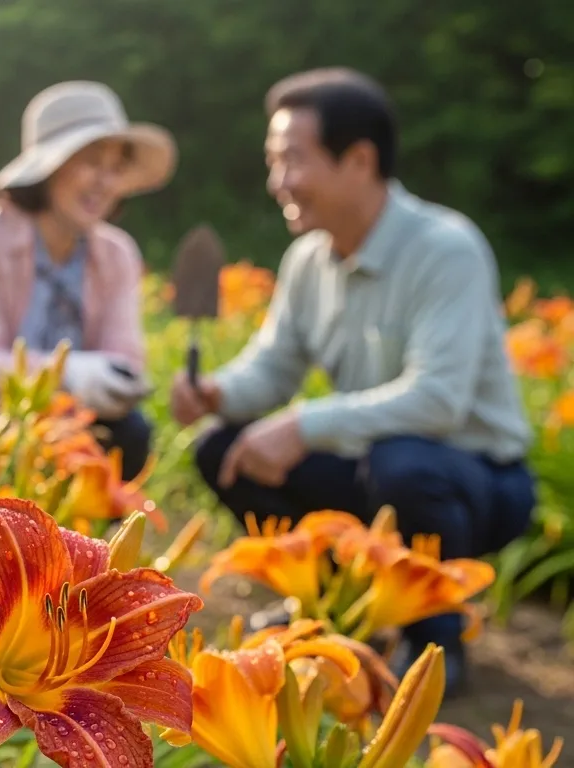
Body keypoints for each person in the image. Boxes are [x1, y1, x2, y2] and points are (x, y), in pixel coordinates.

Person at [169, 68, 535, 689]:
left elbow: (438, 402)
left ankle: (434, 645)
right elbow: (274, 365)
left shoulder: (446, 249)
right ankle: (332, 610)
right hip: (373, 470)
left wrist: (304, 425)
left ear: (359, 160)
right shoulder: (308, 257)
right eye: (272, 160)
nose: (277, 181)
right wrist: (218, 394)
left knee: (405, 465)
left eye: (293, 160)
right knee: (223, 450)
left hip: (475, 481)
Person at [0, 81, 176, 480]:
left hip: (73, 419)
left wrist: (108, 380)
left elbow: (125, 357)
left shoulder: (117, 253)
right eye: (91, 162)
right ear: (48, 167)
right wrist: (69, 373)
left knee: (133, 433)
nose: (105, 183)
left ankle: (85, 540)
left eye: (115, 169)